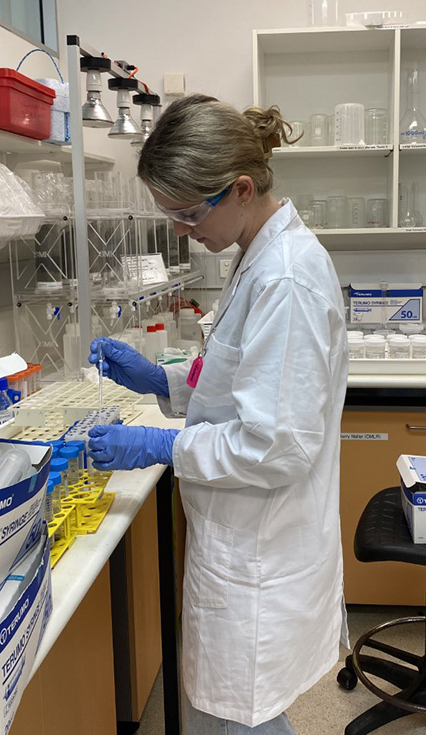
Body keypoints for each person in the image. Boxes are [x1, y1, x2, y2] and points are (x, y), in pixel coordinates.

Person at [88, 94, 348, 733]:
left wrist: (161, 447)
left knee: (238, 712)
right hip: (238, 532)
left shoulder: (284, 278)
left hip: (258, 547)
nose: (180, 230)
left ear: (239, 188)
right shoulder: (254, 255)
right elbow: (239, 379)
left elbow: (275, 445)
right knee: (237, 712)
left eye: (185, 212)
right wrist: (164, 381)